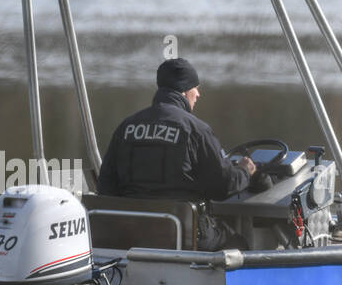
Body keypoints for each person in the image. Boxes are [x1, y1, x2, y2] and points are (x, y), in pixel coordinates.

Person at [96, 58, 255, 249]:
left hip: (133, 237)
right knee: (239, 243)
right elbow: (222, 186)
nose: (198, 94)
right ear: (184, 90)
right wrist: (245, 171)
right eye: (195, 88)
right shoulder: (196, 129)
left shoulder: (126, 127)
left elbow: (106, 188)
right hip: (185, 237)